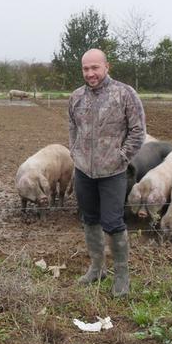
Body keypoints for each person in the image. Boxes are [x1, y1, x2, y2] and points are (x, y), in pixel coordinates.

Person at [68, 49, 146, 296]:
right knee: (89, 219)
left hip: (113, 173)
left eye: (95, 68)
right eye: (85, 69)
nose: (90, 73)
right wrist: (76, 153)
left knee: (113, 222)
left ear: (106, 67)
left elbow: (138, 132)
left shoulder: (124, 94)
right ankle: (97, 268)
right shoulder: (76, 97)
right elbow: (73, 129)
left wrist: (120, 157)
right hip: (83, 171)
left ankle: (121, 275)